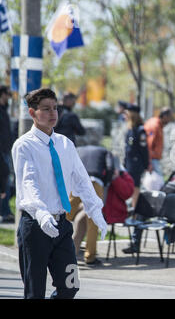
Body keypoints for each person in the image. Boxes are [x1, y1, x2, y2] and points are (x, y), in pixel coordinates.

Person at [12, 88, 108, 299]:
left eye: (55, 108)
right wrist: (41, 213)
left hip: (62, 226)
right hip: (35, 227)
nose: (53, 113)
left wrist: (96, 211)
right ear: (32, 113)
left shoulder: (65, 144)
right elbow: (28, 183)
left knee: (70, 286)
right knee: (34, 292)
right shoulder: (24, 145)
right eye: (46, 109)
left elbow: (82, 180)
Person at [68, 145, 114, 266]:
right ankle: (90, 256)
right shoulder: (105, 151)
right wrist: (105, 181)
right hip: (94, 181)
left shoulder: (78, 149)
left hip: (76, 181)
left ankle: (52, 247)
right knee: (93, 219)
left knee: (65, 214)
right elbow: (110, 167)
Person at [124, 104, 149, 208]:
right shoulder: (130, 129)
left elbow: (144, 149)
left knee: (135, 187)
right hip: (129, 163)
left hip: (136, 164)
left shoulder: (140, 130)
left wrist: (146, 165)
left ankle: (134, 211)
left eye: (127, 114)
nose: (125, 116)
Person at [143, 107, 175, 176]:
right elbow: (149, 144)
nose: (169, 120)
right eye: (169, 117)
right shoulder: (155, 126)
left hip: (153, 159)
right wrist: (149, 162)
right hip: (151, 160)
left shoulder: (158, 125)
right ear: (164, 116)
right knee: (158, 182)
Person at [0, 85, 14, 223]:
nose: (9, 96)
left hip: (5, 150)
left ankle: (5, 211)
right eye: (8, 93)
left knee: (5, 180)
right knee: (5, 180)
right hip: (2, 151)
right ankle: (5, 213)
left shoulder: (4, 110)